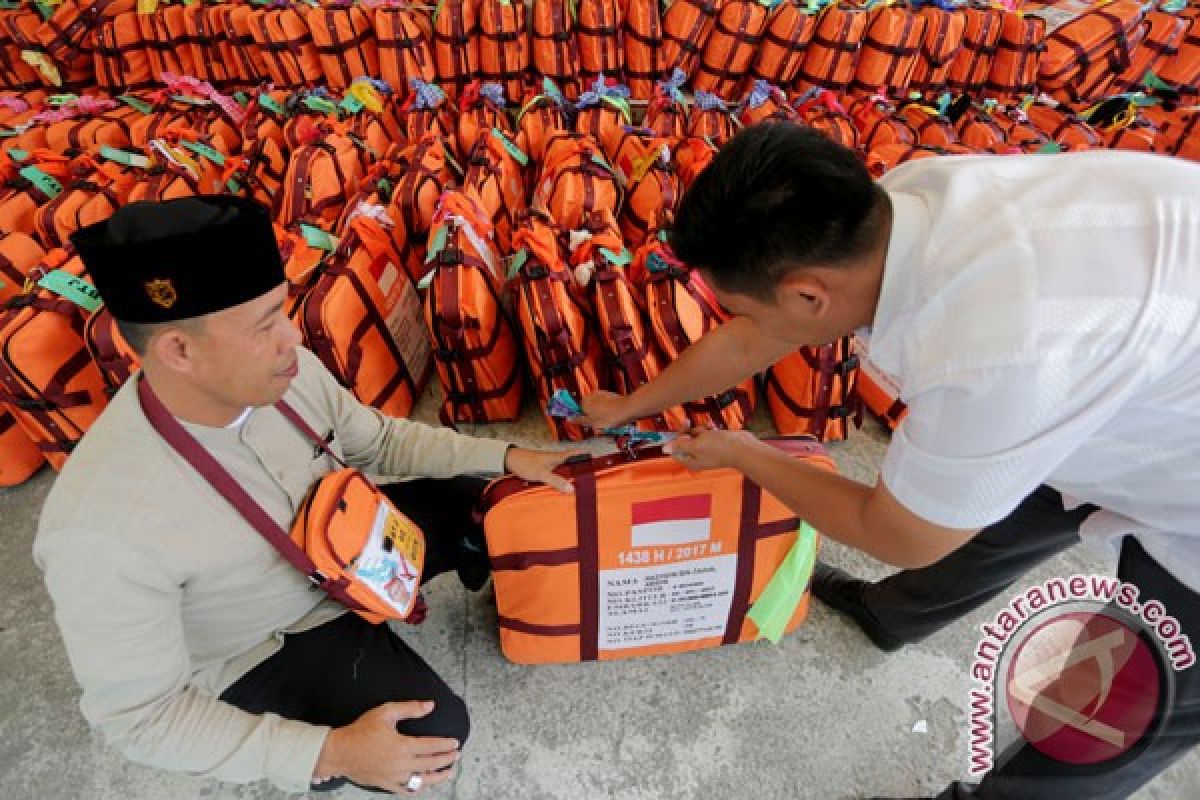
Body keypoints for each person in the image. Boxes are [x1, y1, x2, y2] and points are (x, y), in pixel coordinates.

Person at [579, 123, 1200, 799]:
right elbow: (755, 336)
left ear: (808, 295)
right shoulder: (901, 207)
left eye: (737, 305)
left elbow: (898, 534)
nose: (741, 321)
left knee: (1113, 706)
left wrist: (744, 452)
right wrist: (631, 405)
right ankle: (891, 615)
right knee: (988, 503)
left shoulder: (989, 354)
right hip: (1131, 379)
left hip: (1176, 477)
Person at [34, 196, 577, 795]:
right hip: (265, 640)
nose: (292, 336)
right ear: (178, 351)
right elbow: (141, 717)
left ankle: (388, 608)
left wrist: (506, 456)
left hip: (345, 542)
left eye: (283, 312)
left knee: (482, 501)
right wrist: (325, 750)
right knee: (432, 740)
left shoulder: (279, 371)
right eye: (265, 324)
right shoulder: (101, 528)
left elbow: (377, 441)